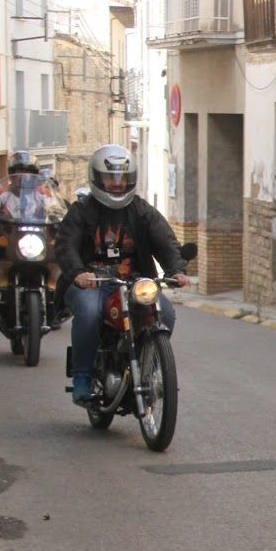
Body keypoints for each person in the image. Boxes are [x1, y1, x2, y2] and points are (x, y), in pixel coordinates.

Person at [56, 144, 190, 405]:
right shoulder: (81, 211)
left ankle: (148, 364)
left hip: (134, 281)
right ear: (97, 178)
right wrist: (78, 273)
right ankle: (83, 376)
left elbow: (165, 240)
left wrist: (177, 270)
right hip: (92, 282)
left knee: (166, 312)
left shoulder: (142, 211)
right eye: (110, 178)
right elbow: (65, 244)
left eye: (123, 179)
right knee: (88, 312)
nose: (117, 185)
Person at [0, 152, 51, 220]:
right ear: (12, 175)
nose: (23, 177)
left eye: (27, 172)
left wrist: (54, 210)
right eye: (20, 172)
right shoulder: (4, 196)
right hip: (8, 228)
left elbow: (53, 206)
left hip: (36, 228)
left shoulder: (39, 196)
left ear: (33, 176)